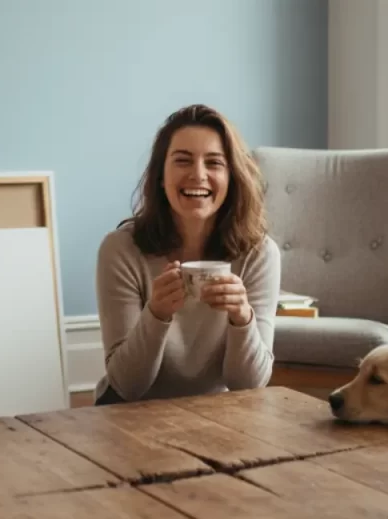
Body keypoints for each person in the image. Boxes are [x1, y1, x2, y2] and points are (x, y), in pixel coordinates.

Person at [93, 104, 281, 405]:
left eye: (214, 163)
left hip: (214, 412)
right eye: (182, 161)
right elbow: (127, 386)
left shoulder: (259, 253)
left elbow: (250, 385)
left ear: (232, 176)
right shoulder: (120, 250)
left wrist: (242, 318)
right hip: (130, 412)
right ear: (160, 175)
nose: (198, 175)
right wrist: (156, 314)